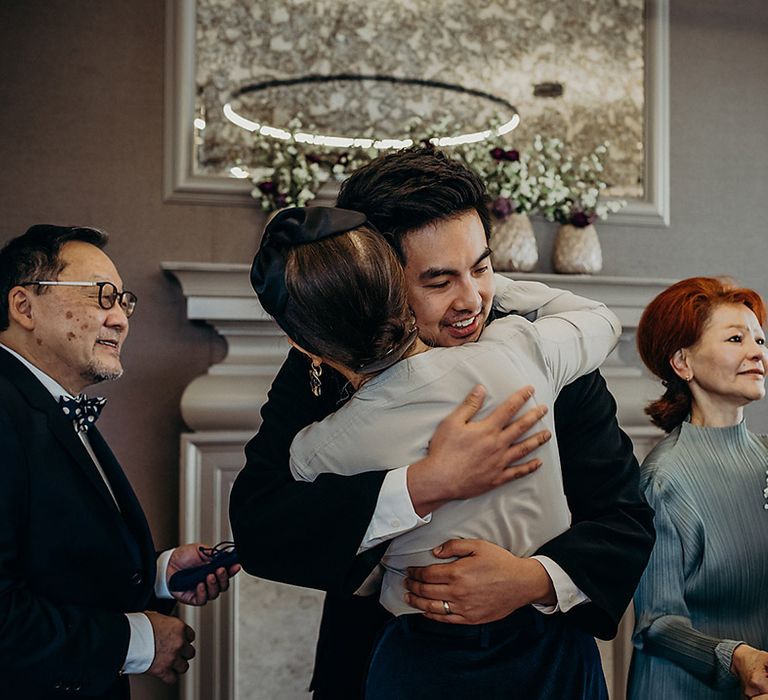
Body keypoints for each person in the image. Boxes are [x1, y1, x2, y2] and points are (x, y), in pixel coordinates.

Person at [229, 147, 655, 699]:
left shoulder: (533, 347)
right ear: (378, 275)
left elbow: (625, 519)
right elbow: (261, 523)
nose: (472, 300)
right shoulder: (322, 359)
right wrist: (424, 484)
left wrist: (530, 581)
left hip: (545, 660)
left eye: (481, 267)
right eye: (439, 281)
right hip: (382, 658)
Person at [0, 225, 239, 700]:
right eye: (101, 297)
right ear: (24, 306)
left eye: (123, 301)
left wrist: (157, 574)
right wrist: (137, 640)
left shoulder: (49, 405)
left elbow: (49, 563)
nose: (120, 320)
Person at [628, 277, 768, 700]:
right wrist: (737, 658)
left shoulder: (764, 459)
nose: (756, 351)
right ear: (682, 362)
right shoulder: (665, 478)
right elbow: (656, 623)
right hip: (681, 689)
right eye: (735, 338)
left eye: (760, 339)